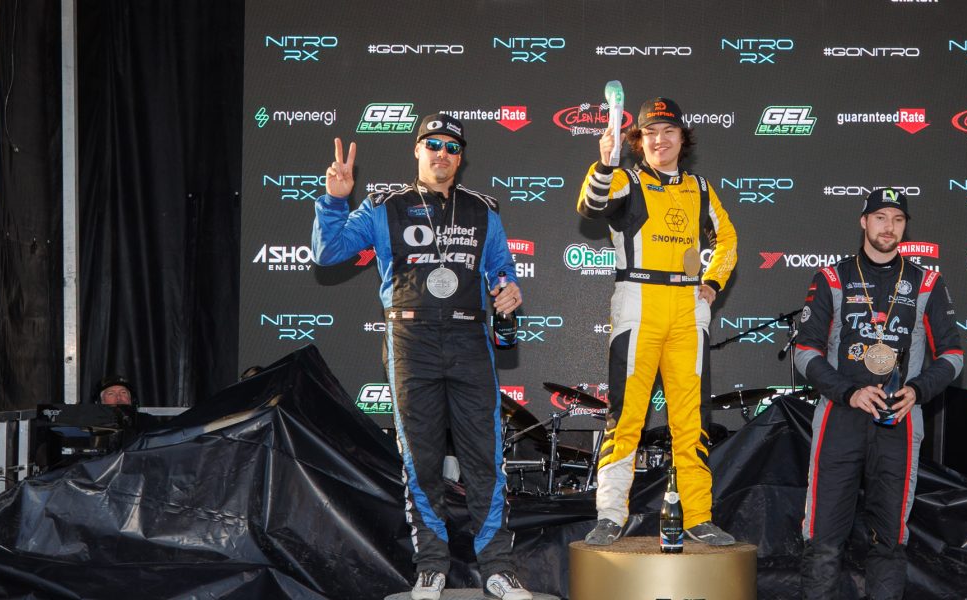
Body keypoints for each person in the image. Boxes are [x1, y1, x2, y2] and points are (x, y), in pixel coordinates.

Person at [312, 114, 533, 600]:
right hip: (411, 342)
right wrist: (335, 200)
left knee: (485, 459)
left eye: (452, 147)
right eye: (433, 144)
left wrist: (509, 289)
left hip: (470, 340)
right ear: (417, 150)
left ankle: (498, 568)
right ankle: (431, 567)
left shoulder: (482, 210)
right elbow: (327, 252)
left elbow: (502, 269)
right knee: (422, 459)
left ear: (461, 157)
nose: (442, 154)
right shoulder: (384, 206)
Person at [576, 98, 739, 546]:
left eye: (669, 131)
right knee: (626, 415)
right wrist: (604, 163)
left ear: (683, 138)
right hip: (638, 301)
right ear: (638, 140)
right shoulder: (626, 179)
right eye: (651, 133)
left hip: (688, 306)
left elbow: (727, 238)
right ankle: (610, 515)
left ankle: (698, 517)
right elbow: (590, 206)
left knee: (691, 419)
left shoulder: (700, 188)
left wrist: (713, 281)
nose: (660, 140)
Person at [791, 189, 963, 599]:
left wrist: (917, 390)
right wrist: (848, 392)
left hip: (899, 421)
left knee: (889, 537)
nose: (889, 227)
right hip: (840, 418)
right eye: (881, 217)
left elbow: (953, 356)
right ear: (864, 221)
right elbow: (805, 351)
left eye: (898, 220)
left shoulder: (926, 282)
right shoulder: (832, 277)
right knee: (823, 535)